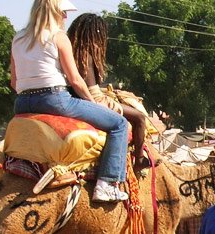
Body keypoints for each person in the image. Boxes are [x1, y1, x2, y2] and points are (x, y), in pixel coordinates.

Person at [11, 0, 129, 202]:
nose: (66, 17)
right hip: (54, 99)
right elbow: (75, 80)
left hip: (21, 103)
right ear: (54, 11)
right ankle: (107, 184)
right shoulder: (58, 37)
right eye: (63, 12)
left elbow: (14, 81)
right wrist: (92, 103)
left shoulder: (18, 38)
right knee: (119, 124)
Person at [66, 13, 150, 166]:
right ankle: (139, 158)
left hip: (74, 97)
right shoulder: (86, 54)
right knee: (139, 118)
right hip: (94, 99)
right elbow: (90, 89)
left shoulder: (70, 51)